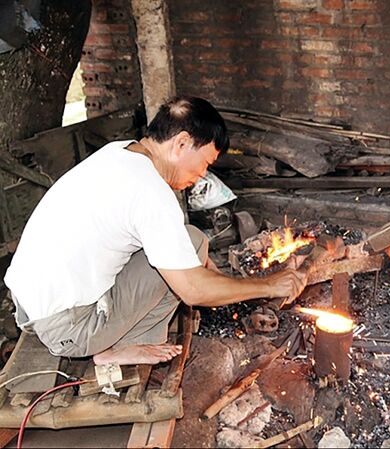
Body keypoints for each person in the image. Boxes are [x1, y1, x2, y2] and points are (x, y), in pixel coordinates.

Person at [4, 96, 307, 366]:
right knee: (186, 261)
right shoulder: (151, 192)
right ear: (182, 143)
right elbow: (192, 290)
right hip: (70, 329)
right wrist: (269, 286)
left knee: (191, 241)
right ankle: (118, 347)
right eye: (205, 162)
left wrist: (211, 276)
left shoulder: (119, 153)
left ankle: (114, 338)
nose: (202, 174)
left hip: (32, 305)